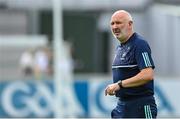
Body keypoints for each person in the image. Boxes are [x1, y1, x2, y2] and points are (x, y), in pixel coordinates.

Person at [105, 10, 157, 118]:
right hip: (122, 106)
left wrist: (119, 84)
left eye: (119, 23)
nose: (115, 27)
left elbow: (148, 74)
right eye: (112, 23)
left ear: (130, 24)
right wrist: (116, 89)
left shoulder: (139, 44)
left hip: (140, 107)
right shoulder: (120, 47)